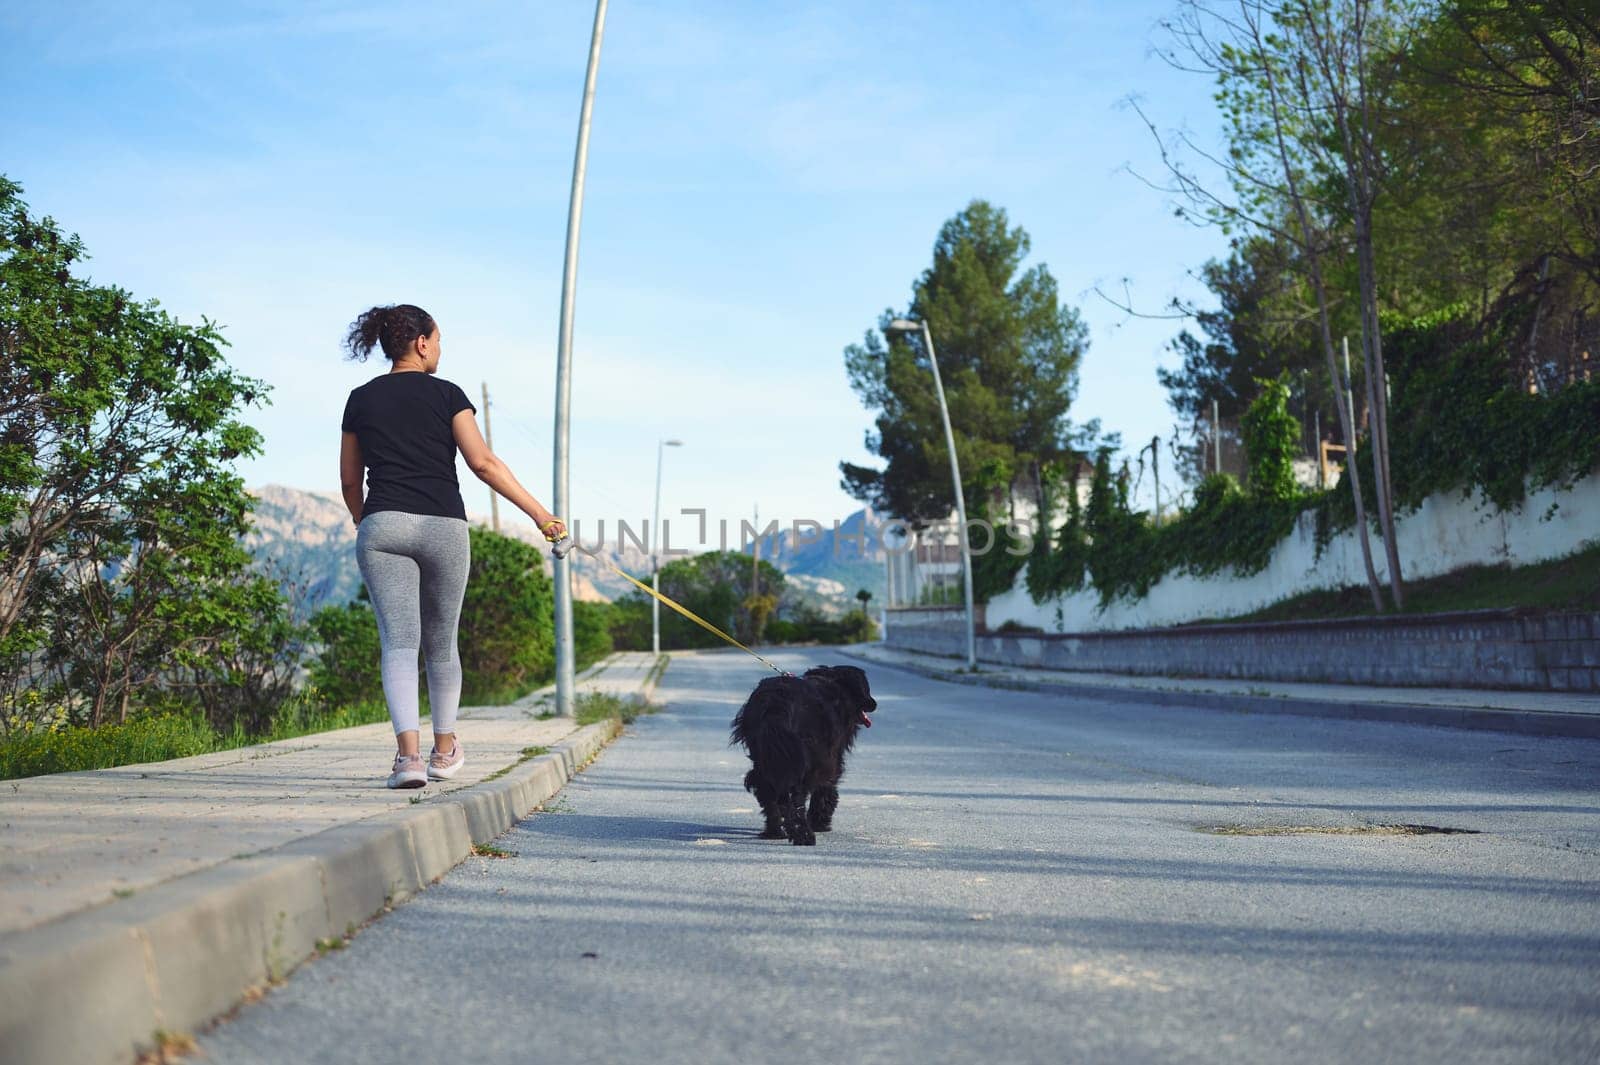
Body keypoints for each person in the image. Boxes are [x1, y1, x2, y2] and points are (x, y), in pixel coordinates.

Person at [339, 304, 566, 789]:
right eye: (438, 340)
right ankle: (445, 751)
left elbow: (349, 481)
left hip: (383, 526)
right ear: (421, 342)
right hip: (443, 525)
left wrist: (370, 521)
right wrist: (541, 515)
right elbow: (483, 463)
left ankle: (408, 760)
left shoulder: (360, 398)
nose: (439, 349)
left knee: (399, 644)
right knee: (441, 646)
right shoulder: (447, 395)